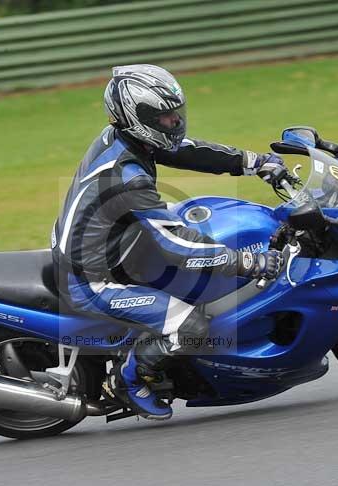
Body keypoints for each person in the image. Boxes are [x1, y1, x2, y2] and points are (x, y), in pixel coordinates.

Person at [51, 64, 289, 420]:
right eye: (163, 118)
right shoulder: (126, 176)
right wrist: (246, 262)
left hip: (107, 244)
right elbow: (175, 245)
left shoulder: (129, 139)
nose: (174, 123)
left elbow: (188, 151)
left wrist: (252, 162)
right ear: (137, 117)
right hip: (91, 279)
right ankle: (131, 380)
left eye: (176, 113)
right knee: (190, 325)